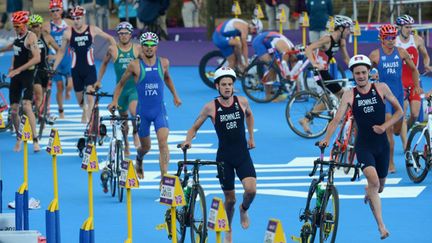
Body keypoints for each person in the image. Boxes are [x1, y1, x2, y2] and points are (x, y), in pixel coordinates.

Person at [320, 54, 402, 240]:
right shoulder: (350, 95)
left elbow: (400, 111)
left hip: (382, 145)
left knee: (379, 187)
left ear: (369, 72)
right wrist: (326, 139)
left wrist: (384, 127)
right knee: (373, 182)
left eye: (364, 72)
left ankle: (370, 192)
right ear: (353, 74)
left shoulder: (381, 88)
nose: (361, 76)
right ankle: (381, 226)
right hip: (364, 146)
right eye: (357, 73)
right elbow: (336, 119)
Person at [182, 67, 256, 243]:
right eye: (224, 84)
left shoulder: (242, 101)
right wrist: (188, 140)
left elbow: (250, 115)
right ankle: (228, 229)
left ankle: (244, 209)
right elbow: (193, 127)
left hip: (242, 155)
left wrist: (251, 136)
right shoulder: (210, 107)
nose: (227, 87)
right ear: (217, 87)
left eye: (230, 84)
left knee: (251, 190)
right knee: (229, 200)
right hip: (224, 158)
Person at [108, 32, 182, 180]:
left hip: (159, 111)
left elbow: (167, 78)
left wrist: (175, 95)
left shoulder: (164, 63)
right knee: (145, 147)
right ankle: (139, 158)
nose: (149, 48)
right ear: (141, 47)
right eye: (146, 45)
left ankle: (164, 178)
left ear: (156, 46)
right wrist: (115, 100)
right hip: (143, 113)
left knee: (163, 142)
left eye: (152, 45)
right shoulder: (134, 65)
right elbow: (121, 83)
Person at [369, 24, 421, 173]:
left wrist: (416, 85)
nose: (391, 40)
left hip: (398, 95)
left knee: (398, 129)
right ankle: (390, 162)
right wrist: (370, 76)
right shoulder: (375, 55)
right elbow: (365, 71)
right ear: (382, 39)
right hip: (384, 97)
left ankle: (398, 133)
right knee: (389, 130)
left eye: (393, 37)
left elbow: (414, 70)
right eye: (388, 38)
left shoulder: (401, 52)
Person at [53, 5, 116, 123]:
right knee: (80, 100)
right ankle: (84, 109)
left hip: (89, 69)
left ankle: (90, 121)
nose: (76, 21)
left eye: (78, 18)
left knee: (90, 95)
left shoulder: (92, 29)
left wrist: (114, 51)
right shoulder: (68, 33)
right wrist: (53, 67)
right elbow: (61, 52)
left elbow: (110, 38)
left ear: (83, 18)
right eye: (74, 19)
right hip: (76, 70)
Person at [300, 15, 353, 133]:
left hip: (325, 71)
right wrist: (314, 63)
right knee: (338, 95)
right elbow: (309, 49)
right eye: (348, 29)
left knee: (331, 97)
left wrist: (356, 68)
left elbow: (346, 58)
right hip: (318, 72)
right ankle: (308, 119)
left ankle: (307, 118)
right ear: (341, 28)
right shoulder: (327, 39)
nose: (349, 32)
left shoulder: (341, 41)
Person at [96, 21, 141, 159]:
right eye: (121, 34)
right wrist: (98, 80)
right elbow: (104, 64)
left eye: (126, 33)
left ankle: (135, 134)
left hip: (134, 88)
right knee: (123, 121)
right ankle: (126, 143)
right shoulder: (112, 49)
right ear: (118, 35)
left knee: (134, 112)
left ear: (130, 34)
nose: (123, 36)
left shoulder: (137, 48)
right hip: (120, 90)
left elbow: (145, 65)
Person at [1, 11, 41, 152]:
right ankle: (20, 136)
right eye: (14, 26)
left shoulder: (31, 37)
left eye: (18, 26)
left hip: (27, 75)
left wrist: (19, 69)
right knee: (13, 111)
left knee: (27, 106)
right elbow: (14, 48)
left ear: (25, 24)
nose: (16, 29)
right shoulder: (18, 36)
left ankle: (35, 140)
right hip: (16, 76)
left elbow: (37, 58)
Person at [395, 14, 432, 130]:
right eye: (406, 27)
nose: (409, 30)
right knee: (402, 111)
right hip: (400, 81)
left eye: (411, 27)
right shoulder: (394, 42)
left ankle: (407, 132)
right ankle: (402, 135)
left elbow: (426, 56)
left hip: (415, 81)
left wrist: (426, 64)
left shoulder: (417, 40)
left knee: (415, 114)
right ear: (399, 27)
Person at [42, 0, 73, 119]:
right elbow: (46, 42)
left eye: (57, 10)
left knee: (70, 85)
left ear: (61, 10)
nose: (55, 13)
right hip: (56, 60)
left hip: (68, 58)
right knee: (59, 86)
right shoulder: (46, 26)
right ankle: (61, 110)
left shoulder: (69, 23)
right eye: (52, 11)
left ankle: (69, 91)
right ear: (50, 12)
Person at [28, 14, 60, 122]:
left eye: (36, 26)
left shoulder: (46, 37)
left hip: (45, 69)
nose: (34, 28)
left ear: (40, 26)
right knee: (39, 95)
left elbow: (59, 50)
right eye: (32, 26)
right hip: (33, 70)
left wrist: (54, 56)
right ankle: (40, 117)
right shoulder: (27, 38)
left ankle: (41, 112)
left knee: (44, 94)